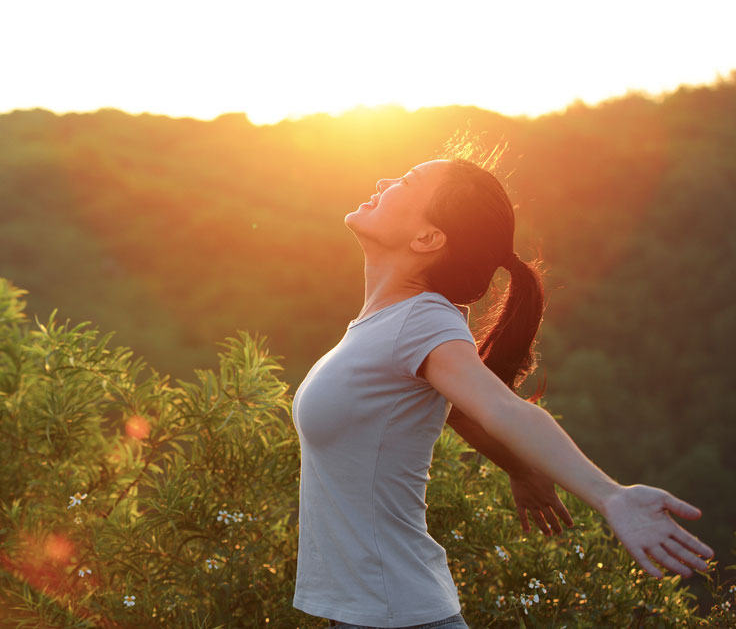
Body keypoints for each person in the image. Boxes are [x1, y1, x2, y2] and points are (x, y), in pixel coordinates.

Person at [291, 158, 715, 629]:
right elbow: (457, 410)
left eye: (404, 183)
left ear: (428, 239)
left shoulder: (423, 322)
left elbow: (501, 408)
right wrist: (517, 466)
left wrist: (610, 496)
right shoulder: (390, 324)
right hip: (369, 611)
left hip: (395, 613)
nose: (383, 182)